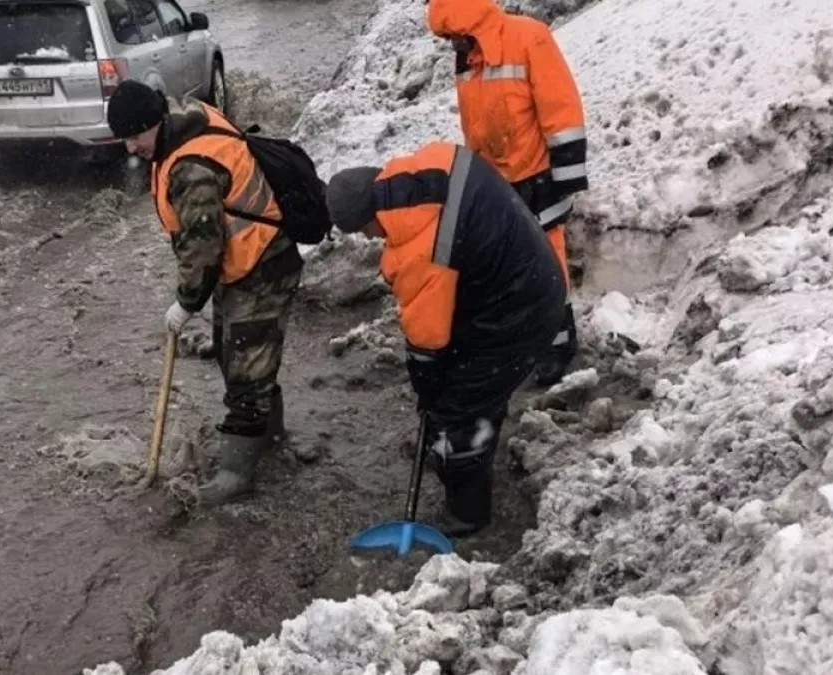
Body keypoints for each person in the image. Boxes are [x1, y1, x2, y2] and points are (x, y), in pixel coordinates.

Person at [325, 142, 565, 536]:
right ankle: (476, 440)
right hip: (522, 275)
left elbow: (427, 344)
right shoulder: (429, 167)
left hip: (519, 310)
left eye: (366, 231)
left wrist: (430, 396)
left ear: (371, 217)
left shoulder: (420, 250)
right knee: (470, 381)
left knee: (460, 408)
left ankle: (467, 514)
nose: (371, 240)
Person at [105, 80, 303, 505]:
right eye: (124, 139)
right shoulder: (181, 124)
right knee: (236, 352)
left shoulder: (191, 168)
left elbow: (202, 245)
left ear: (155, 123)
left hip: (263, 265)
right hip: (244, 266)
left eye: (134, 137)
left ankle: (236, 474)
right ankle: (269, 436)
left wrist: (186, 302)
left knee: (247, 370)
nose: (130, 149)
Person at [426, 0, 589, 386]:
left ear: (471, 27)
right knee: (506, 269)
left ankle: (557, 345)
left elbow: (561, 108)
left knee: (547, 265)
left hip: (537, 177)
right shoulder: (469, 56)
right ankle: (520, 339)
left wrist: (563, 177)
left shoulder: (529, 37)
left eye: (454, 37)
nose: (452, 45)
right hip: (496, 183)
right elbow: (476, 124)